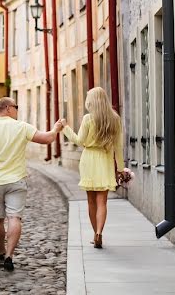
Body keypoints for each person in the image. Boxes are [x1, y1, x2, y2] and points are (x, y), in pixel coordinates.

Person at [0, 96, 64, 271]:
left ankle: (1, 249)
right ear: (7, 108)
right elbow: (47, 139)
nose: (17, 110)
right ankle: (9, 255)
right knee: (14, 218)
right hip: (16, 181)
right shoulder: (21, 127)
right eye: (16, 107)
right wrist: (56, 128)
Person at [60, 86, 124, 249]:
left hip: (89, 159)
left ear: (92, 101)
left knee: (91, 201)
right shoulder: (115, 119)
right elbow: (118, 147)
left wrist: (65, 127)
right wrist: (121, 169)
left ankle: (94, 232)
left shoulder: (88, 119)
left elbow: (80, 141)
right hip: (105, 160)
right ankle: (99, 233)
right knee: (102, 202)